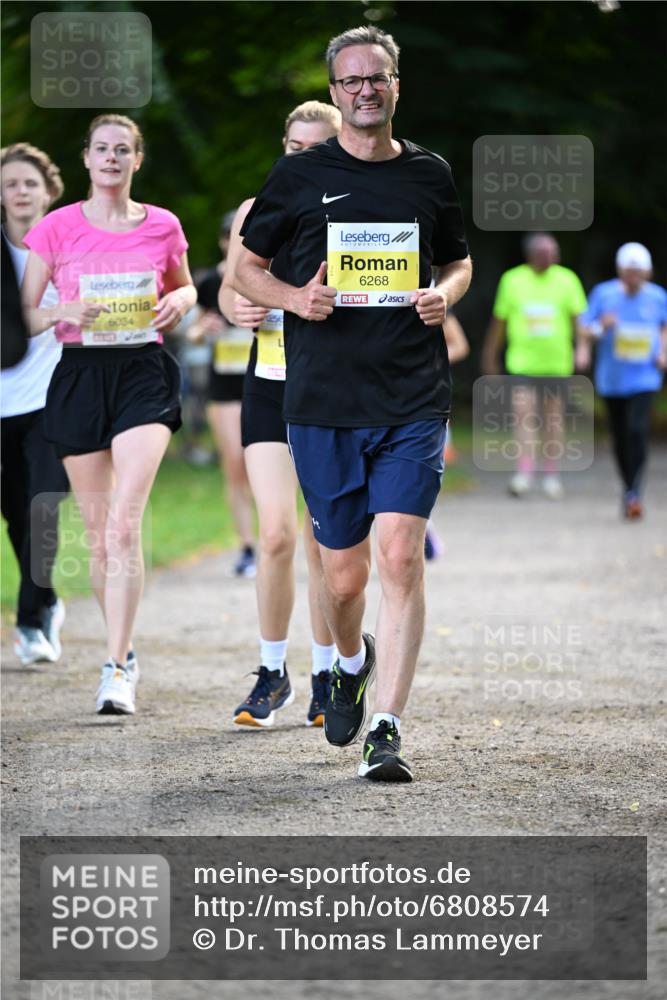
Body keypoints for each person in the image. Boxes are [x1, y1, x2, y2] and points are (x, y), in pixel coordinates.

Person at [234, 26, 472, 781]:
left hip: (411, 395)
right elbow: (244, 268)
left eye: (378, 78)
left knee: (399, 555)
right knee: (343, 579)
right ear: (335, 93)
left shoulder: (429, 174)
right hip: (323, 401)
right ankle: (346, 661)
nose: (364, 90)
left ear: (397, 85)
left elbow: (458, 260)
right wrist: (294, 299)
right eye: (350, 81)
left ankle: (387, 730)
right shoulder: (299, 176)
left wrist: (443, 293)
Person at [21, 114, 196, 715]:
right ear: (87, 159)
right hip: (78, 374)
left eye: (123, 150)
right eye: (102, 149)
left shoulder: (163, 225)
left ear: (137, 160)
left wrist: (180, 298)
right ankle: (123, 649)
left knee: (124, 524)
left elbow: (187, 287)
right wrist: (65, 307)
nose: (112, 158)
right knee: (100, 538)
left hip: (143, 372)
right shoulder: (54, 227)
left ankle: (116, 665)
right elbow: (24, 314)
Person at [220, 100, 341, 728]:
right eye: (293, 145)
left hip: (329, 394)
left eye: (314, 147)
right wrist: (238, 307)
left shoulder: (356, 213)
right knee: (276, 533)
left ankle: (327, 674)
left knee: (326, 543)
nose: (300, 156)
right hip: (268, 384)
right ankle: (273, 672)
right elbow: (229, 283)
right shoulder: (255, 208)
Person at [1, 142, 69, 665]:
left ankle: (29, 621)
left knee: (43, 507)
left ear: (49, 191)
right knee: (17, 516)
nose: (20, 192)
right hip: (4, 402)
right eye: (10, 184)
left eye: (29, 183)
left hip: (53, 397)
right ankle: (45, 596)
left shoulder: (72, 244)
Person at [482, 233, 587, 499]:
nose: (551, 257)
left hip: (556, 364)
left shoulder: (567, 279)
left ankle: (551, 475)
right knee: (524, 418)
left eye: (554, 252)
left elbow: (579, 321)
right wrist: (490, 355)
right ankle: (524, 473)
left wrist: (583, 348)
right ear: (530, 255)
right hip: (522, 363)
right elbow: (500, 322)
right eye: (544, 253)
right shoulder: (512, 280)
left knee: (552, 421)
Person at [577, 242, 667, 519]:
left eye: (639, 272)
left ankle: (634, 491)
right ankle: (629, 488)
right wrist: (599, 328)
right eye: (629, 271)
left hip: (645, 376)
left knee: (637, 430)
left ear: (648, 273)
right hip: (613, 378)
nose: (634, 277)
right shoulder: (604, 294)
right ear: (620, 270)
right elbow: (585, 328)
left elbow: (663, 326)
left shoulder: (657, 296)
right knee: (620, 436)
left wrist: (664, 352)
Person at [189, 211, 256, 577]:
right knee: (236, 465)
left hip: (268, 382)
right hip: (226, 388)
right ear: (221, 242)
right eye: (230, 238)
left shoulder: (268, 276)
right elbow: (195, 333)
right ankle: (248, 547)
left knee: (274, 470)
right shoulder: (212, 281)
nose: (237, 245)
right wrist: (204, 328)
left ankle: (281, 538)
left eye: (243, 238)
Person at [424, 313, 470, 561]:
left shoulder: (433, 295)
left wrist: (426, 360)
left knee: (422, 475)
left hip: (427, 399)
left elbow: (460, 345)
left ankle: (425, 526)